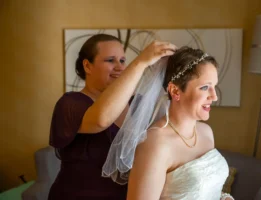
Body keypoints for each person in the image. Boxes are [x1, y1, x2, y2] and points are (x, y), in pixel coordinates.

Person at [48, 33, 177, 200]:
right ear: (87, 66)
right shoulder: (70, 104)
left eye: (123, 61)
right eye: (110, 60)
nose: (120, 67)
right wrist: (140, 62)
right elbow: (102, 120)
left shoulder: (139, 104)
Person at [103, 46, 234, 200]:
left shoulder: (206, 132)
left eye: (214, 87)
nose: (214, 96)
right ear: (175, 91)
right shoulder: (154, 144)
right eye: (205, 87)